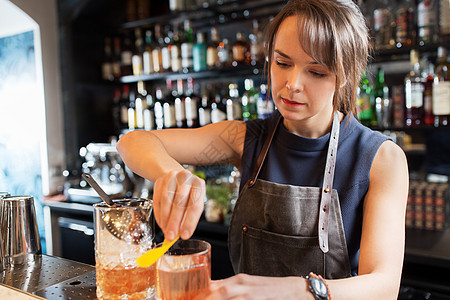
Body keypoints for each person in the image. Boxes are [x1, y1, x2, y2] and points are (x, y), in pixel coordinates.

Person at [116, 0, 409, 298]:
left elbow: (383, 287)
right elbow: (131, 142)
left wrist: (294, 290)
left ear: (345, 74)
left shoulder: (381, 158)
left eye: (317, 72)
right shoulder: (244, 138)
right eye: (282, 63)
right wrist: (172, 174)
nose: (293, 84)